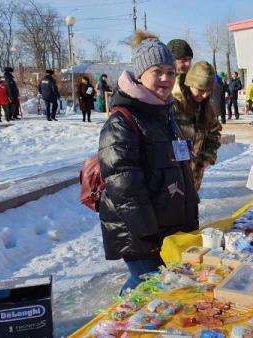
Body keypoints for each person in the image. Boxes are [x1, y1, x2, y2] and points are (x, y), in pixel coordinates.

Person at [98, 31, 199, 294]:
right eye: (158, 71)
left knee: (157, 286)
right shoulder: (122, 122)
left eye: (171, 71)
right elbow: (125, 188)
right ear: (141, 74)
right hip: (140, 231)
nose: (166, 78)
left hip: (166, 226)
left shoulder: (163, 113)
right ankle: (118, 326)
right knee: (147, 285)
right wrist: (148, 237)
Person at [172, 61, 222, 191]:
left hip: (194, 178)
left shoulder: (204, 107)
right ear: (190, 84)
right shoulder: (172, 104)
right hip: (173, 179)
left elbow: (214, 132)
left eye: (208, 91)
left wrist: (207, 157)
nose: (205, 95)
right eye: (201, 89)